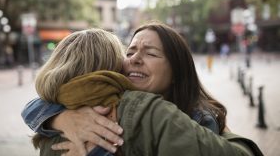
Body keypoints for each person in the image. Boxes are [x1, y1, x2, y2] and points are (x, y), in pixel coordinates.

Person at [22, 23, 262, 156]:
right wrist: (60, 118)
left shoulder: (201, 119)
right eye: (130, 52)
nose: (134, 59)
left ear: (178, 71)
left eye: (151, 53)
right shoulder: (100, 107)